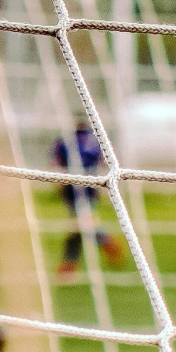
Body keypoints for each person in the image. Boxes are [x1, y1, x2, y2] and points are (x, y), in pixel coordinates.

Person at [53, 116, 124, 278]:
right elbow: (103, 161)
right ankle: (72, 264)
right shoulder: (94, 141)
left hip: (70, 186)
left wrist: (58, 183)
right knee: (79, 225)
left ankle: (106, 244)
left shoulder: (65, 141)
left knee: (80, 225)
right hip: (91, 185)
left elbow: (56, 161)